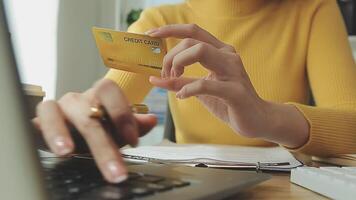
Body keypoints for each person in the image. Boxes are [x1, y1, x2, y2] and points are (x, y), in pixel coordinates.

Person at [35, 0, 356, 183]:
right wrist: (83, 125)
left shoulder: (314, 9)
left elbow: (352, 123)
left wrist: (266, 117)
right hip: (189, 184)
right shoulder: (160, 22)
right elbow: (101, 103)